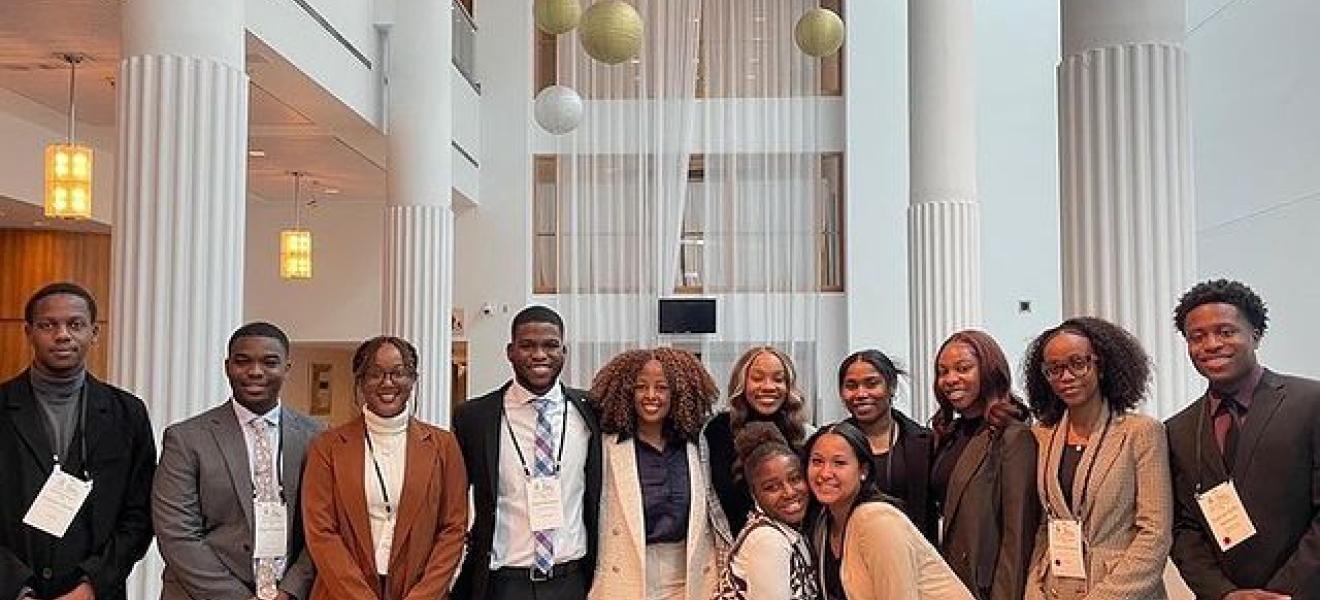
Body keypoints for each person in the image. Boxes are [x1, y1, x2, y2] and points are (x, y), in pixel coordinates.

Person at [0, 282, 156, 600]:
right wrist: (16, 587)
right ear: (28, 331)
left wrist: (91, 585)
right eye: (48, 325)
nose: (62, 335)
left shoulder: (126, 413)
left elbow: (139, 515)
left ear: (94, 333)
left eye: (75, 324)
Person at [1165, 279, 1320, 599]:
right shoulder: (1179, 429)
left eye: (1225, 331)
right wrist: (1223, 593)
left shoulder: (1311, 402)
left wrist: (1284, 591)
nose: (1210, 345)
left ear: (1256, 335)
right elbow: (1183, 528)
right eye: (1197, 337)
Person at [153, 322, 324, 600]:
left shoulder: (316, 437)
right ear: (227, 366)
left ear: (287, 369)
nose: (255, 372)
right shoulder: (186, 438)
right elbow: (177, 533)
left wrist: (291, 591)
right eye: (243, 362)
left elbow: (322, 527)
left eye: (270, 363)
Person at [452, 306, 603, 600]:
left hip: (572, 581)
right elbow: (454, 500)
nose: (539, 355)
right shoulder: (474, 418)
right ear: (510, 351)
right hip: (504, 582)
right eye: (527, 345)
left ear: (564, 351)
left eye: (550, 345)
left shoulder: (592, 411)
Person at [301, 336, 468, 599]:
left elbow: (453, 528)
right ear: (360, 381)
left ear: (412, 380)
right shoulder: (327, 447)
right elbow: (321, 532)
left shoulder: (443, 446)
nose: (387, 383)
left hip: (418, 591)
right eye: (374, 374)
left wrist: (423, 595)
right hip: (341, 593)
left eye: (398, 373)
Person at [1021, 317, 1172, 600]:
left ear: (1101, 365)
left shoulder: (1141, 432)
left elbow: (1154, 534)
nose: (1066, 377)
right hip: (1056, 588)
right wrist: (1033, 589)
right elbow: (1044, 524)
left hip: (1123, 592)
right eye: (1054, 369)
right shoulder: (1042, 435)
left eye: (1078, 363)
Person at [585, 348, 717, 600]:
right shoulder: (605, 446)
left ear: (679, 393)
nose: (651, 395)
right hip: (625, 573)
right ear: (625, 392)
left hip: (689, 576)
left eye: (662, 387)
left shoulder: (697, 444)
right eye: (640, 387)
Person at [806, 421, 972, 600]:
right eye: (817, 461)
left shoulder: (877, 521)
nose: (825, 473)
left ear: (863, 471)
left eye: (839, 463)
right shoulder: (823, 522)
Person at [929, 331, 1039, 600]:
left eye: (963, 368)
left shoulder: (1012, 436)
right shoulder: (947, 434)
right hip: (947, 578)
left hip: (985, 587)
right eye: (943, 372)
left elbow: (1018, 536)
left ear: (989, 371)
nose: (951, 379)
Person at [703, 346, 811, 546]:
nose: (769, 386)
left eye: (778, 379)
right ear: (741, 383)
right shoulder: (717, 431)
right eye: (758, 378)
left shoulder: (803, 433)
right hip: (736, 549)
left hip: (796, 547)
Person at [836, 349, 939, 542]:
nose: (860, 394)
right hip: (849, 553)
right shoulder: (830, 443)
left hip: (911, 555)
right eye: (851, 386)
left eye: (871, 383)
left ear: (891, 387)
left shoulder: (925, 444)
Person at [714, 422, 819, 600]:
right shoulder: (768, 541)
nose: (789, 492)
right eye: (771, 487)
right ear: (754, 494)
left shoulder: (789, 529)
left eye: (795, 479)